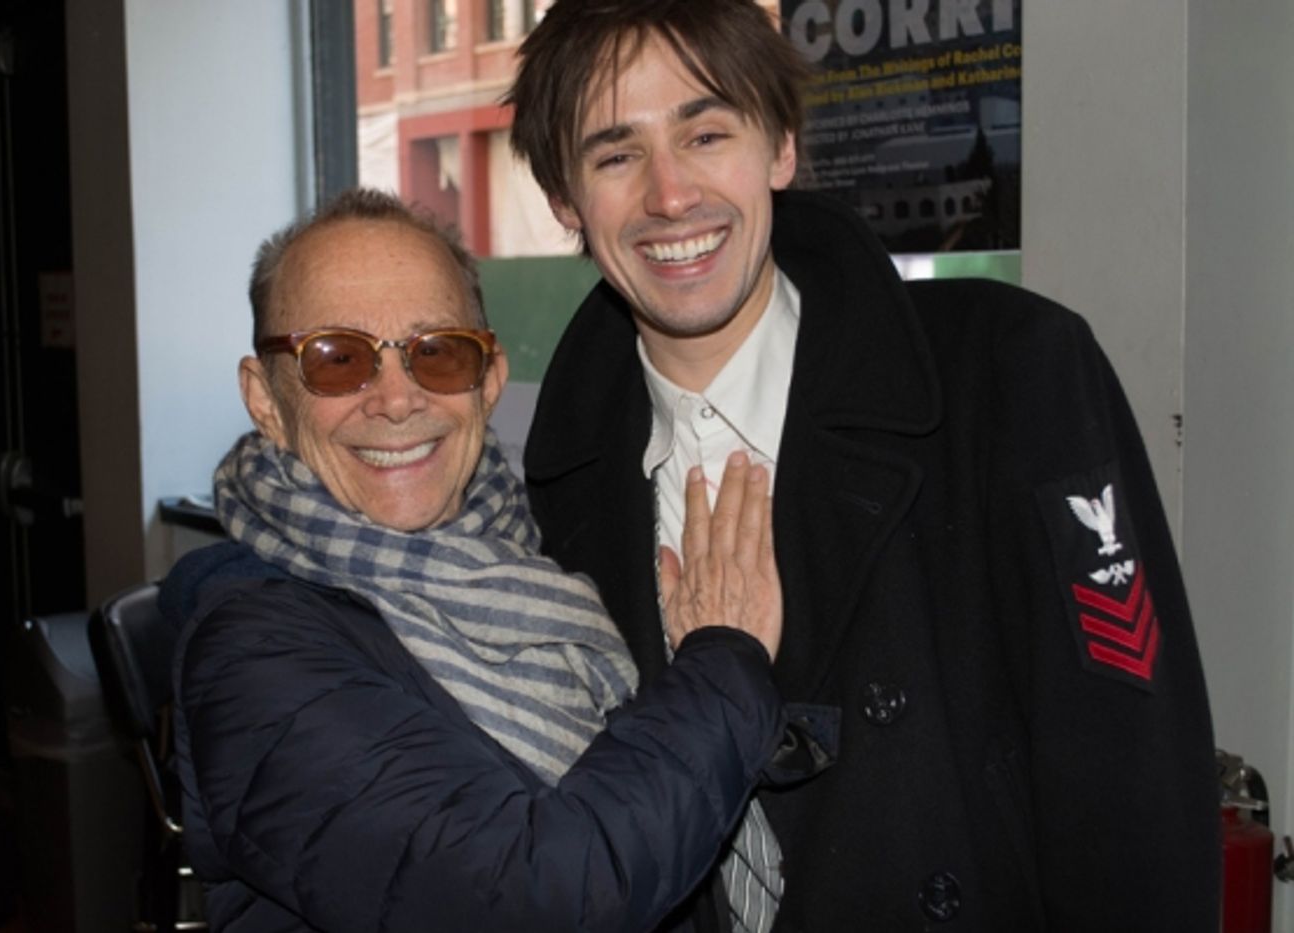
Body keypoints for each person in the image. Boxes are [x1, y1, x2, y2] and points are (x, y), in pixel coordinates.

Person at [504, 1, 1222, 930]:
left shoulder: (1010, 373)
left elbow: (1136, 794)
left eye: (707, 131)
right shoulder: (549, 499)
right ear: (566, 201)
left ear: (781, 148)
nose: (670, 194)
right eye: (615, 155)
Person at [161, 187, 818, 932]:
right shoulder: (253, 655)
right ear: (267, 399)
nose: (397, 399)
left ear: (489, 379)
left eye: (436, 353)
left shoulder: (529, 561)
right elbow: (534, 895)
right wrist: (724, 660)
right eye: (338, 359)